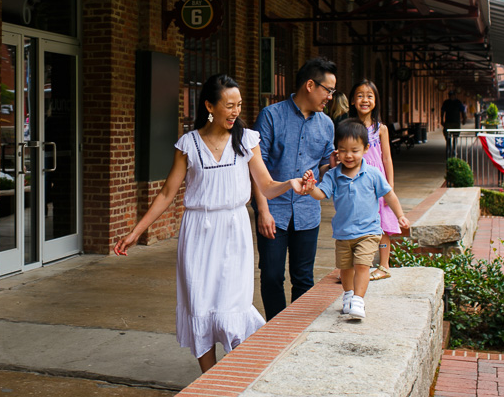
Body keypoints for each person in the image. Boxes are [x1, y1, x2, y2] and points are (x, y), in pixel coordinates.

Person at [114, 74, 305, 373]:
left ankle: (237, 375)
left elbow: (265, 186)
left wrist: (290, 183)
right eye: (229, 105)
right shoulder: (188, 144)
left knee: (233, 307)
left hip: (234, 229)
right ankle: (211, 380)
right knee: (200, 305)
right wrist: (136, 232)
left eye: (239, 105)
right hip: (198, 233)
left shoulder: (247, 139)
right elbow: (167, 193)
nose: (235, 112)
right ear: (209, 106)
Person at [252, 57, 337, 320]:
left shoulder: (327, 124)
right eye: (328, 90)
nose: (331, 97)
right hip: (273, 212)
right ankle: (275, 330)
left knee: (303, 278)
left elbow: (323, 166)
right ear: (310, 85)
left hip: (307, 212)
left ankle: (295, 332)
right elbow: (256, 168)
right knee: (273, 275)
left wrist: (328, 168)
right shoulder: (271, 116)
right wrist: (263, 211)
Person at [299, 119, 410, 319]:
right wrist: (310, 188)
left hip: (368, 231)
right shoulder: (333, 175)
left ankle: (359, 299)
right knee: (345, 268)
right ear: (337, 151)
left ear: (366, 149)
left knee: (362, 265)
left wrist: (400, 215)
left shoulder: (373, 174)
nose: (348, 155)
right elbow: (321, 194)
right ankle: (349, 295)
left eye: (354, 150)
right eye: (343, 150)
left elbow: (389, 195)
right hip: (343, 233)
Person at [349, 79, 398, 281]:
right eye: (360, 95)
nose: (365, 100)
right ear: (352, 100)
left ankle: (384, 265)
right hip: (356, 183)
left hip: (377, 183)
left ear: (376, 101)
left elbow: (387, 158)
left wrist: (390, 188)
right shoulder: (348, 127)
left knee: (382, 224)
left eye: (369, 96)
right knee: (356, 223)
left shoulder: (381, 129)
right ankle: (357, 267)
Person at [441, 90, 467, 156]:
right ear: (449, 96)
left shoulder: (458, 102)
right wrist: (441, 120)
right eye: (450, 95)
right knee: (447, 135)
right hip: (448, 122)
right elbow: (442, 111)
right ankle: (448, 146)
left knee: (455, 136)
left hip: (456, 122)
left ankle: (454, 149)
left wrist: (464, 119)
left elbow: (463, 111)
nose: (452, 97)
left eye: (453, 95)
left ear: (455, 96)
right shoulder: (446, 102)